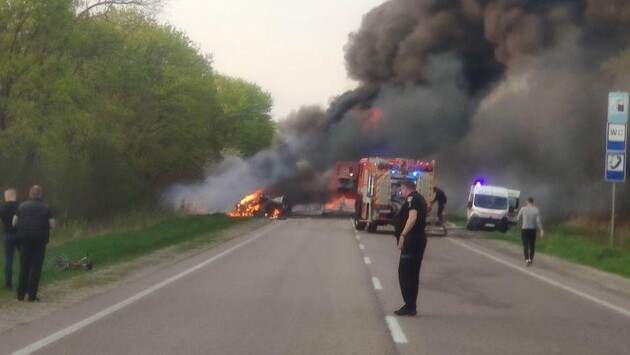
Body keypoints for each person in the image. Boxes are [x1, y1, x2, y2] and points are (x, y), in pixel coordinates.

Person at [13, 185, 55, 302]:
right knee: (36, 268)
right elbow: (52, 225)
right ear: (41, 195)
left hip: (24, 239)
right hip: (40, 241)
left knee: (24, 267)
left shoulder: (22, 206)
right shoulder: (47, 208)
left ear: (30, 194)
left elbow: (14, 222)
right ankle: (32, 296)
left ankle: (20, 295)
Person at [394, 179, 428, 316]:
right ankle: (411, 305)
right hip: (418, 239)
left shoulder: (412, 199)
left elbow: (412, 218)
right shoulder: (420, 198)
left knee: (405, 273)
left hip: (413, 240)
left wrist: (403, 235)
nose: (400, 191)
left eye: (401, 189)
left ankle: (409, 304)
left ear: (405, 188)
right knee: (413, 274)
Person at [516, 197, 544, 266]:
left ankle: (526, 260)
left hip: (524, 229)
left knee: (525, 246)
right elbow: (538, 221)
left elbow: (518, 218)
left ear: (527, 202)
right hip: (532, 230)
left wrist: (521, 222)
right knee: (532, 245)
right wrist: (541, 230)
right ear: (533, 202)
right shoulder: (536, 210)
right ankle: (531, 259)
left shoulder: (522, 209)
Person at [1, 188, 19, 289]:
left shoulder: (2, 207)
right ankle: (27, 280)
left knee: (9, 260)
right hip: (20, 234)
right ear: (14, 195)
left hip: (8, 235)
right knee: (25, 258)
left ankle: (8, 284)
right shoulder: (20, 206)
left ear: (6, 196)